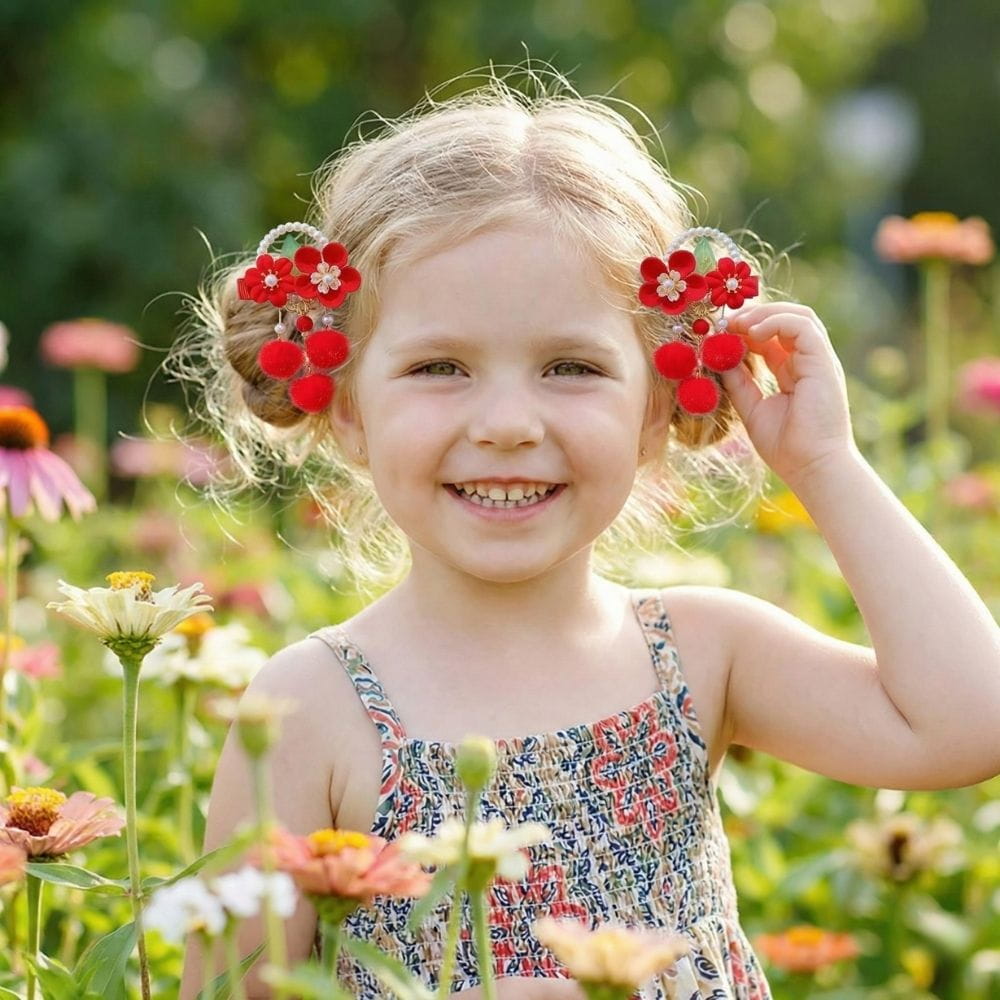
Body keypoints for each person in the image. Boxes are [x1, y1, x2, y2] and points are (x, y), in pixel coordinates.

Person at [173, 68, 1000, 1000]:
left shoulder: (701, 651)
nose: (508, 422)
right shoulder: (306, 712)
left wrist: (825, 466)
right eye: (440, 366)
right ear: (347, 410)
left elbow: (970, 724)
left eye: (570, 366)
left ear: (656, 408)